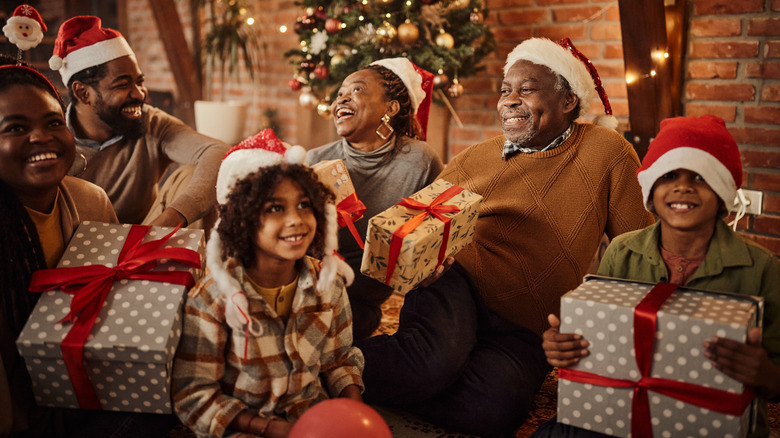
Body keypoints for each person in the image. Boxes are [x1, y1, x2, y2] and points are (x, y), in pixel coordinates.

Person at [355, 37, 654, 436]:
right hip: (457, 282)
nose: (509, 100)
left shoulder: (607, 151)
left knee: (492, 410)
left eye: (526, 89)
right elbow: (419, 228)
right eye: (505, 90)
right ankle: (326, 365)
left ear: (567, 101)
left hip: (530, 322)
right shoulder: (473, 158)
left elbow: (637, 248)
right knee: (432, 363)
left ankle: (372, 378)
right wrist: (423, 267)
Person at [537, 115, 780, 438]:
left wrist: (765, 374)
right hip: (623, 414)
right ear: (651, 190)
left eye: (699, 176)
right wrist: (564, 347)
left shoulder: (761, 268)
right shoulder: (622, 251)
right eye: (668, 176)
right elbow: (599, 346)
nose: (682, 186)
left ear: (722, 192)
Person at [0, 57, 179, 437]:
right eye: (15, 128)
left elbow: (115, 310)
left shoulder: (89, 201)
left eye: (52, 123)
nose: (42, 137)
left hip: (89, 388)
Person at [172, 130, 364, 438]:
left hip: (315, 422)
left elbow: (339, 359)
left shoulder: (329, 285)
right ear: (243, 220)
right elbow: (193, 396)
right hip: (243, 428)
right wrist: (275, 429)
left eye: (304, 205)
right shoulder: (211, 299)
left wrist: (354, 410)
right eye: (276, 208)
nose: (296, 219)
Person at [306, 58, 444, 340]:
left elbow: (437, 232)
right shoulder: (316, 160)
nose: (342, 98)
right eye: (340, 93)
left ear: (390, 108)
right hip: (310, 286)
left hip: (362, 300)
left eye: (356, 90)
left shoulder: (420, 161)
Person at [48, 15, 229, 227]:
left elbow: (218, 152)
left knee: (190, 175)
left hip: (146, 239)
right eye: (122, 85)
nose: (139, 94)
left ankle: (182, 260)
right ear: (83, 92)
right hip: (77, 247)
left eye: (139, 82)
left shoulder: (151, 122)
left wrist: (170, 220)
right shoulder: (54, 139)